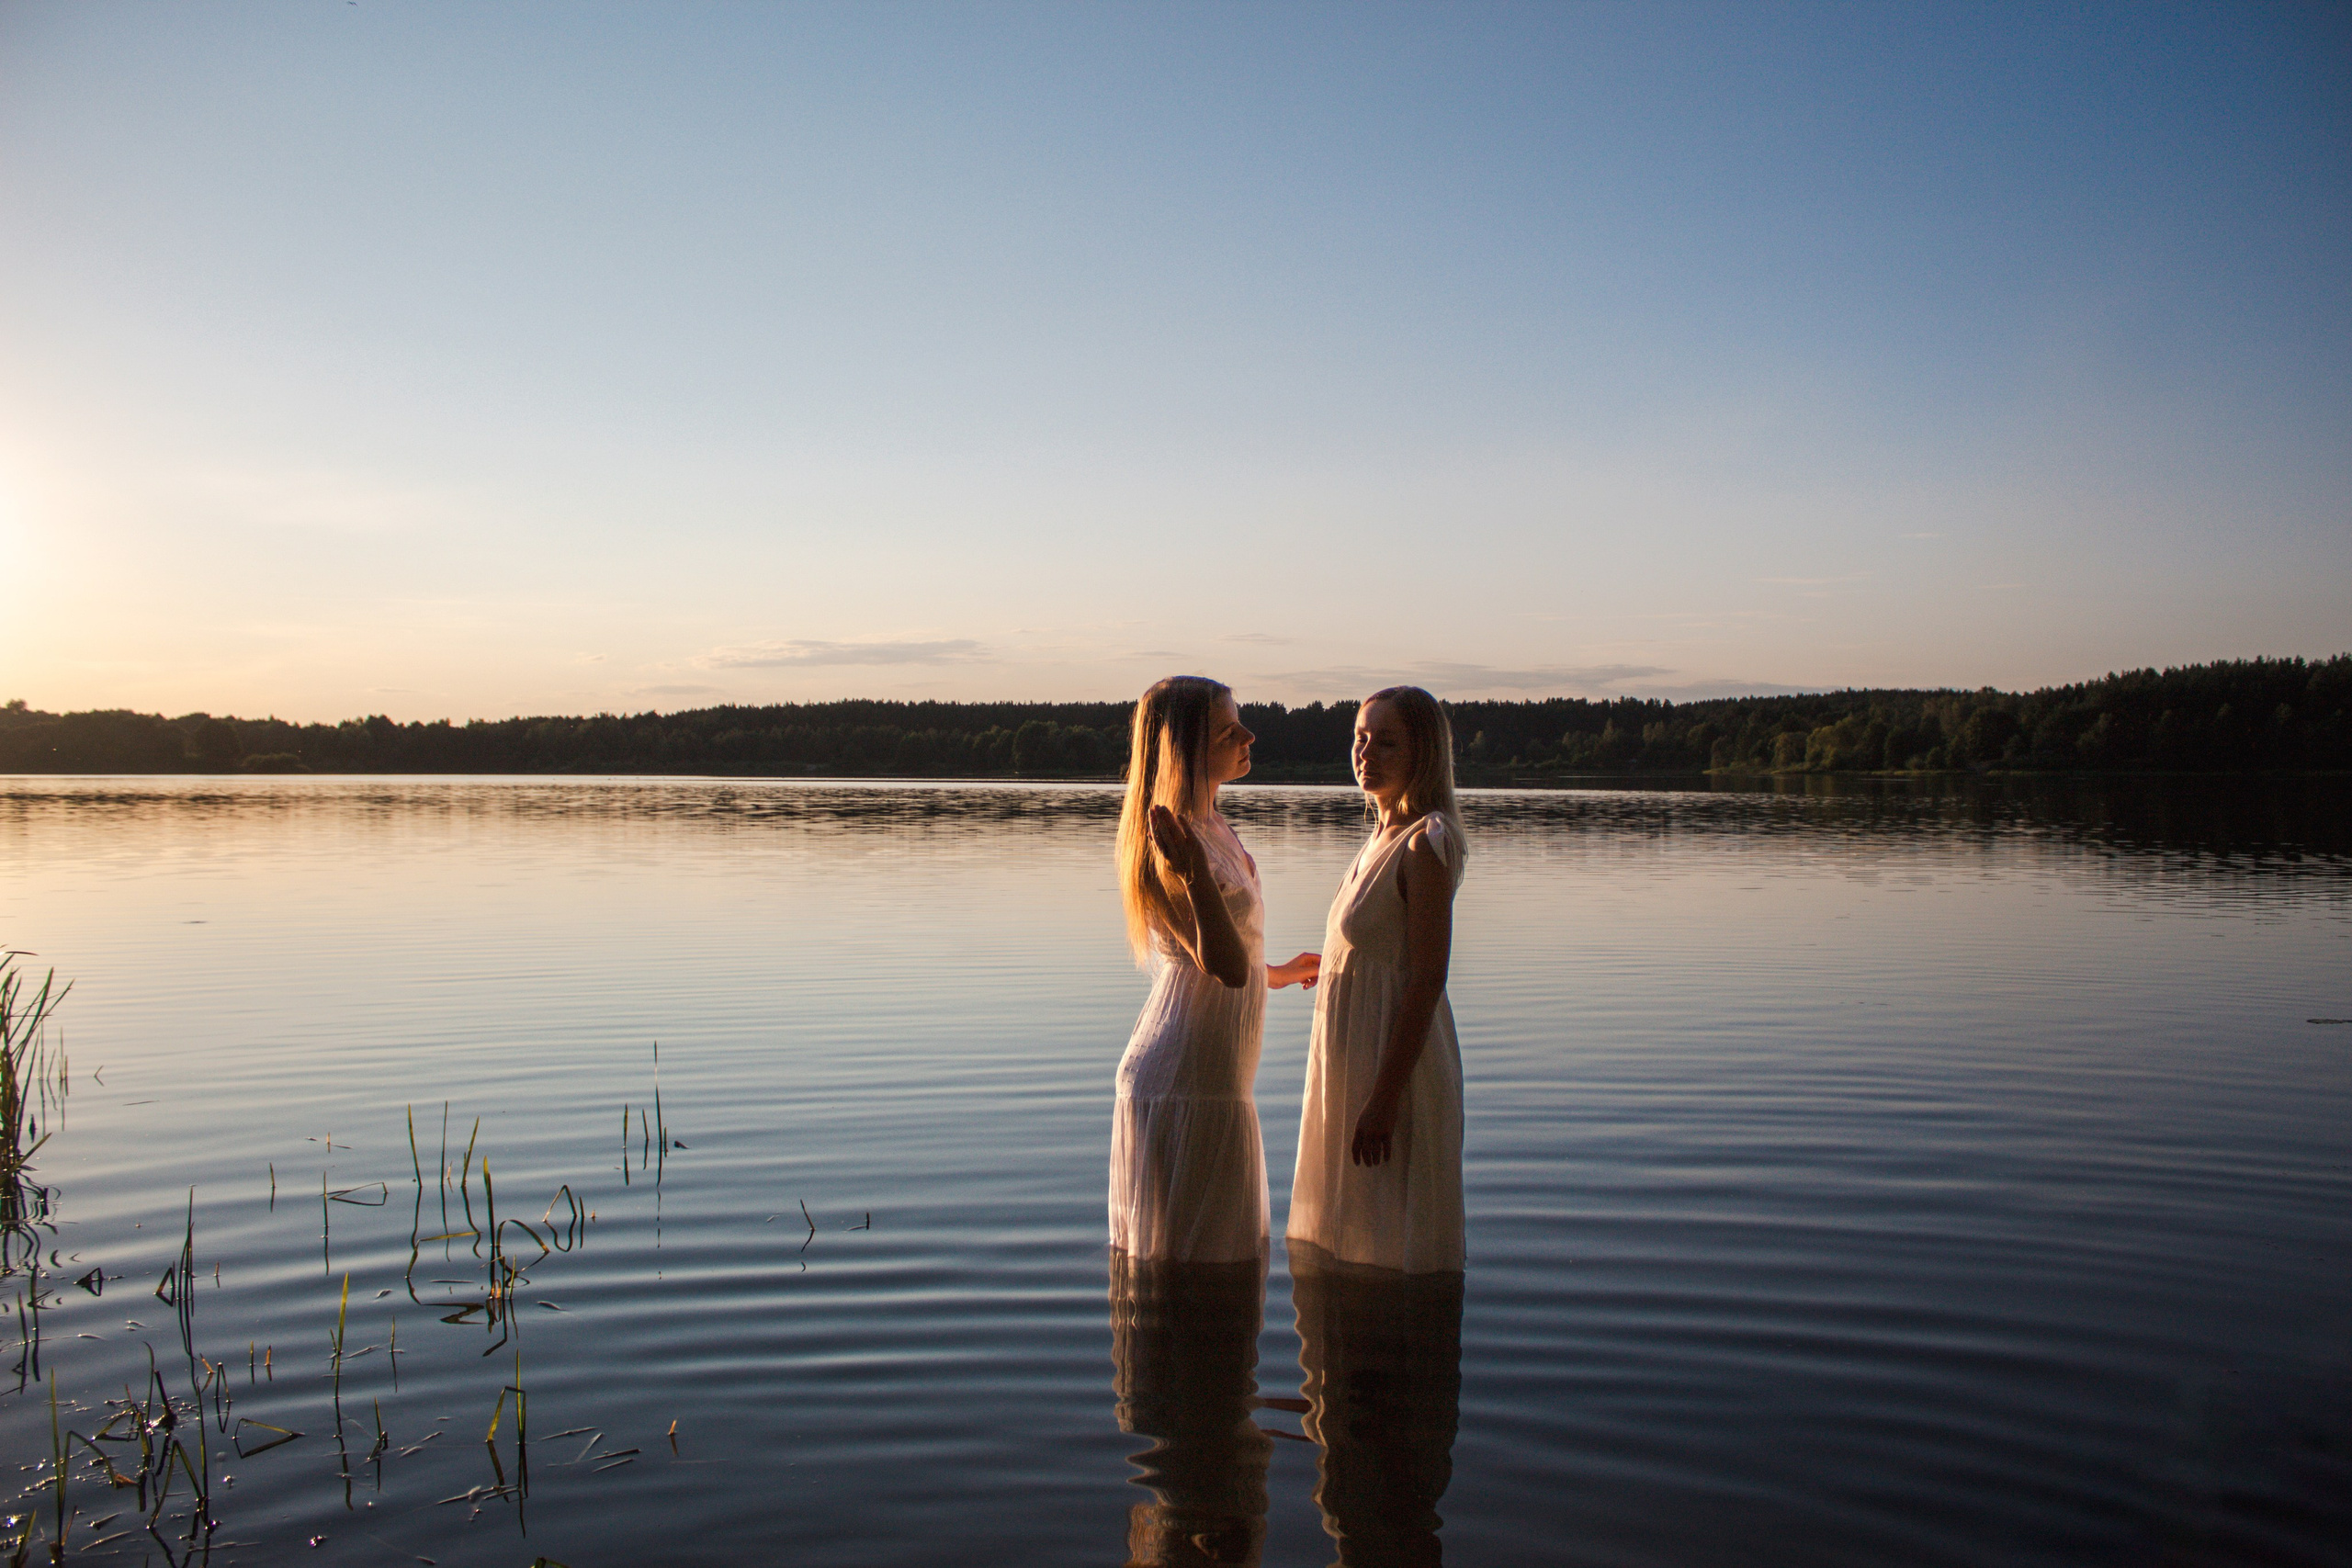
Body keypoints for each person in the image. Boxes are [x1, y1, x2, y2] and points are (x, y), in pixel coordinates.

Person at [1111, 675, 1319, 1263]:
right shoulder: (1169, 843)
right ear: (1184, 749)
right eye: (1229, 732)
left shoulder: (1212, 825)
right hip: (1186, 1083)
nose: (1249, 735)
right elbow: (1222, 966)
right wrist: (1195, 873)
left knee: (1219, 1264)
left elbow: (1228, 953)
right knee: (1198, 1272)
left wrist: (1277, 972)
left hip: (1217, 1079)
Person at [1286, 685, 1467, 1274]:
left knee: (1389, 1237)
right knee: (1345, 1237)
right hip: (1351, 1060)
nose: (1366, 754)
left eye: (1386, 743)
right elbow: (1385, 948)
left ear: (1423, 754)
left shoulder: (1426, 841)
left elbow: (1427, 978)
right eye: (1360, 739)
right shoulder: (1379, 835)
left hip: (1392, 1073)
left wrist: (1384, 1101)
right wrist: (1336, 966)